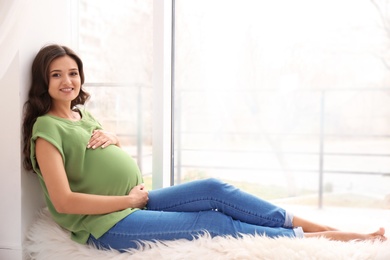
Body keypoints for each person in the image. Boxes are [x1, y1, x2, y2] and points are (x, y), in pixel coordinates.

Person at [22, 44, 386, 252]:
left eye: (72, 72)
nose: (67, 81)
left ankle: (312, 225)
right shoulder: (45, 128)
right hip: (106, 223)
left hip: (136, 200)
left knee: (213, 188)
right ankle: (325, 238)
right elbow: (65, 201)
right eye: (56, 75)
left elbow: (98, 150)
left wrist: (114, 139)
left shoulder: (81, 116)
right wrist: (128, 201)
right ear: (44, 82)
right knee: (214, 222)